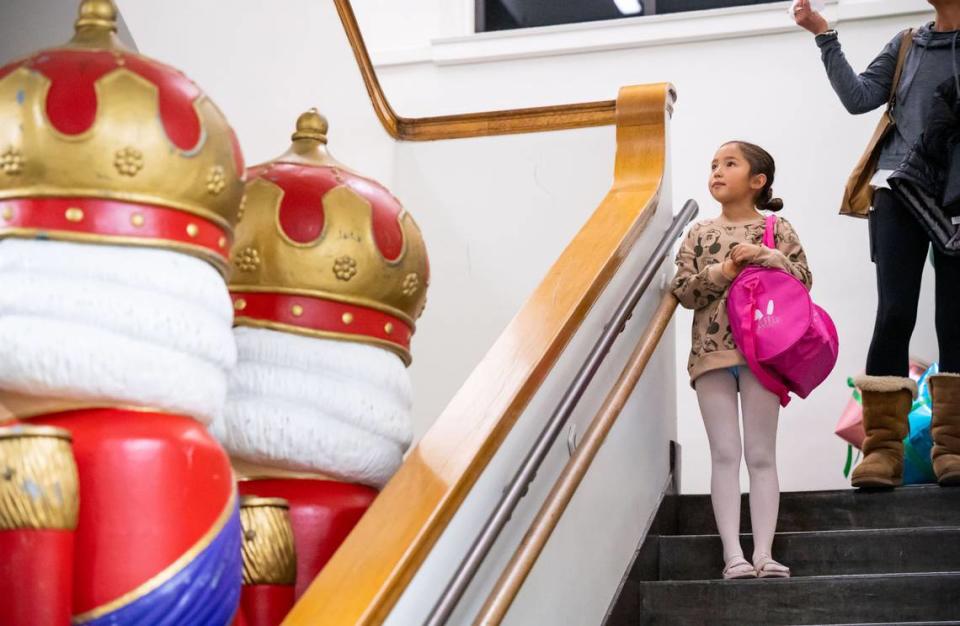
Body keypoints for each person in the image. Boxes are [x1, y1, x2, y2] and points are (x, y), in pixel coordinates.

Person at [794, 0, 960, 487]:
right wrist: (823, 34)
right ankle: (882, 449)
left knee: (955, 317)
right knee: (893, 313)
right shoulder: (910, 42)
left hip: (956, 195)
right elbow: (860, 97)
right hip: (897, 189)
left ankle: (952, 447)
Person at [672, 141, 813, 579]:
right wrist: (725, 272)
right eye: (713, 164)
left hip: (764, 354)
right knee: (725, 453)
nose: (716, 171)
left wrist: (769, 257)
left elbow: (804, 282)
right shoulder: (697, 232)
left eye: (729, 164)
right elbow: (683, 290)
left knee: (760, 454)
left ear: (758, 181)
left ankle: (765, 553)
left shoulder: (778, 228)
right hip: (711, 355)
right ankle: (733, 554)